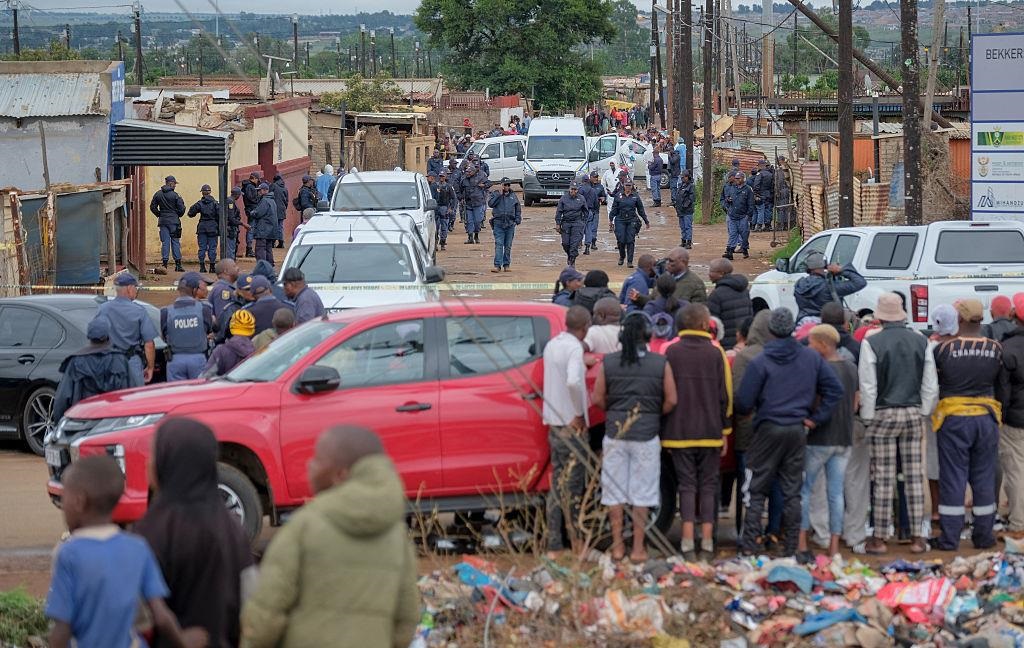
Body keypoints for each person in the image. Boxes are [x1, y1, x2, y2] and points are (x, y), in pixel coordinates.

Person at [241, 426, 419, 647]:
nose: (309, 465)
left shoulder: (304, 527)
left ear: (339, 475)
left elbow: (266, 615)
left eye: (317, 460)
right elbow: (407, 620)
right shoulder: (397, 537)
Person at [46, 455, 207, 648]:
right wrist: (184, 641)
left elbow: (62, 629)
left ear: (79, 501)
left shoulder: (68, 554)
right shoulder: (138, 547)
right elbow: (161, 616)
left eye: (64, 498)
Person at [135, 418, 254, 648]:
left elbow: (135, 616)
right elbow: (251, 604)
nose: (148, 462)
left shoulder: (152, 531)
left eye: (154, 453)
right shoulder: (231, 529)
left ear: (169, 462)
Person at [735, 308, 844, 557]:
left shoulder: (760, 361)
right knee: (791, 490)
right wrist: (815, 419)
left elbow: (743, 402)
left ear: (770, 330)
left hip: (767, 429)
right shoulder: (810, 358)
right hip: (796, 430)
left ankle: (750, 547)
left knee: (756, 490)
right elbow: (835, 390)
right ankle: (791, 548)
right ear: (792, 329)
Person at [593, 311, 677, 561]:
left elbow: (597, 398)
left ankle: (618, 546)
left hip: (616, 435)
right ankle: (639, 548)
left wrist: (615, 411)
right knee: (644, 492)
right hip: (646, 435)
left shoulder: (609, 362)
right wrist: (652, 413)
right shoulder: (660, 363)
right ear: (648, 335)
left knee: (614, 492)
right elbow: (672, 399)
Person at [858, 292, 937, 554]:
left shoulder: (872, 342)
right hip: (913, 412)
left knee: (882, 476)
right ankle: (916, 537)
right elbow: (930, 383)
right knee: (914, 477)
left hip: (883, 412)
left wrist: (869, 417)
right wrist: (923, 411)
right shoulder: (920, 340)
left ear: (879, 316)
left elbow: (868, 386)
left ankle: (880, 537)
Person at [932, 298, 1003, 551]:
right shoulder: (995, 348)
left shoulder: (943, 350)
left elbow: (934, 385)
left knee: (953, 477)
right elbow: (1001, 387)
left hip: (954, 419)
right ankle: (984, 536)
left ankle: (949, 539)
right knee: (984, 477)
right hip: (986, 418)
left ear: (958, 319)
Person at [663, 304, 731, 561]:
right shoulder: (717, 354)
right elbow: (725, 396)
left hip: (678, 432)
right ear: (705, 325)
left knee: (686, 486)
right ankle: (708, 543)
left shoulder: (670, 351)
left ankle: (687, 543)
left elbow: (665, 393)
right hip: (711, 430)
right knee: (709, 485)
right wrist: (725, 429)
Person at [797, 324, 858, 562]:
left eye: (811, 343)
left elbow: (812, 401)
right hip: (844, 437)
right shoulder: (851, 367)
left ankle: (802, 542)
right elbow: (854, 403)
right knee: (836, 493)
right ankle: (834, 546)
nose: (809, 347)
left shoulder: (816, 368)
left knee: (805, 490)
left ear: (822, 345)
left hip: (819, 437)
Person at [543, 306, 591, 556]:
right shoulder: (574, 348)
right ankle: (576, 543)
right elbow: (573, 381)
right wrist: (579, 413)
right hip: (571, 426)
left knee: (557, 484)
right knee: (573, 488)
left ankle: (554, 543)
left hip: (553, 422)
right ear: (585, 327)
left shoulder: (554, 344)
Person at [52, 316, 131, 421]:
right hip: (115, 423)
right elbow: (133, 392)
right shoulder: (120, 360)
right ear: (108, 335)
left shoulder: (76, 362)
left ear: (89, 336)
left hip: (84, 422)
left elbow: (62, 399)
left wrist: (61, 424)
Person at [98, 273, 158, 387]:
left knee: (112, 400)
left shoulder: (103, 309)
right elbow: (149, 343)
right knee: (134, 401)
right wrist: (150, 368)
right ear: (129, 288)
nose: (136, 291)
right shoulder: (139, 311)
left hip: (110, 363)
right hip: (131, 362)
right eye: (136, 287)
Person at [997, 293, 1024, 537]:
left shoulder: (1007, 349)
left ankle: (1018, 522)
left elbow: (1003, 390)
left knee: (1015, 470)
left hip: (1015, 419)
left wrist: (1001, 416)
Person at [161, 272, 215, 381]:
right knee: (198, 394)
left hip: (175, 360)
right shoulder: (205, 309)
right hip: (198, 358)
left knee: (177, 395)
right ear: (195, 290)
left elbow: (164, 336)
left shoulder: (166, 312)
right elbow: (211, 329)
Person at [794, 252, 867, 324]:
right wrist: (841, 270)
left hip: (803, 326)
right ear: (825, 265)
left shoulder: (799, 285)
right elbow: (860, 282)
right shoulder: (829, 287)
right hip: (828, 327)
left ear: (807, 267)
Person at [633, 247, 707, 307]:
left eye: (671, 261)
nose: (667, 264)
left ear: (683, 262)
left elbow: (698, 312)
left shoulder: (695, 284)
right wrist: (639, 298)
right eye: (667, 260)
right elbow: (654, 299)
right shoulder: (664, 279)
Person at [707, 258, 752, 350]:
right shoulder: (744, 291)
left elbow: (712, 324)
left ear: (721, 274)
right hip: (742, 344)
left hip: (724, 345)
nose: (709, 274)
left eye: (711, 271)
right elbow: (750, 315)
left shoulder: (716, 295)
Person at [608, 181, 650, 268]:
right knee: (621, 240)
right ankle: (622, 256)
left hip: (631, 220)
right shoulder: (618, 195)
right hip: (620, 220)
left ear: (632, 186)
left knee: (630, 240)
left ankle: (630, 261)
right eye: (626, 185)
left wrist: (646, 221)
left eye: (629, 185)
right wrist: (611, 220)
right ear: (623, 185)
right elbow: (614, 209)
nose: (627, 187)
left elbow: (640, 209)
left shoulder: (635, 196)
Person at [150, 175, 186, 271]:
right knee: (175, 242)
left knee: (165, 242)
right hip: (174, 222)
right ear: (170, 183)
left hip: (163, 221)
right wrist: (177, 215)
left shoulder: (158, 194)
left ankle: (164, 264)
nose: (175, 186)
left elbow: (152, 207)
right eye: (174, 184)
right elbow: (182, 209)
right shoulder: (176, 195)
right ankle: (178, 265)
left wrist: (159, 214)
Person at [204, 309, 255, 377]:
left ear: (230, 327)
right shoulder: (260, 350)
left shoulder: (221, 351)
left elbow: (205, 377)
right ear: (252, 329)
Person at [488, 178, 522, 272]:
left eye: (508, 185)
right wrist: (499, 194)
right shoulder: (496, 194)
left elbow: (517, 208)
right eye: (505, 185)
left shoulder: (513, 196)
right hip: (498, 223)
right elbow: (491, 204)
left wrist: (517, 219)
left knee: (508, 245)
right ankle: (497, 265)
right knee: (499, 244)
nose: (506, 187)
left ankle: (506, 264)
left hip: (510, 224)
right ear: (501, 185)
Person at [185, 184, 221, 273]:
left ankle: (202, 267)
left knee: (202, 248)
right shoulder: (215, 203)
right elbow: (220, 215)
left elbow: (190, 213)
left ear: (202, 193)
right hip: (213, 227)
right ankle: (212, 267)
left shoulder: (199, 203)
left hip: (202, 228)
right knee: (212, 248)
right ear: (210, 192)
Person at [555, 181, 590, 266]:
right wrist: (558, 223)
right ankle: (570, 255)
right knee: (565, 243)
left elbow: (586, 212)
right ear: (569, 189)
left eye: (575, 189)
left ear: (578, 190)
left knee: (574, 244)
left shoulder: (581, 198)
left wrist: (583, 222)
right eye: (572, 189)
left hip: (577, 223)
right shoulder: (563, 198)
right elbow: (559, 212)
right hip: (566, 223)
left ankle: (572, 260)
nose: (573, 191)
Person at [722, 172, 754, 260]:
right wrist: (728, 202)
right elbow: (726, 199)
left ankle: (744, 249)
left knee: (744, 234)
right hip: (732, 215)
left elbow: (751, 204)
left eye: (739, 178)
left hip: (743, 216)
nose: (737, 180)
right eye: (736, 178)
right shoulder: (732, 188)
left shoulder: (748, 189)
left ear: (743, 179)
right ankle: (730, 251)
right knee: (733, 233)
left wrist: (748, 215)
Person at [460, 165, 491, 244]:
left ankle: (476, 235)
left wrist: (484, 185)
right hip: (468, 203)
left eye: (470, 172)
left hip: (478, 203)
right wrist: (461, 198)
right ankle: (470, 237)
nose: (468, 173)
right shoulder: (464, 180)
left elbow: (489, 183)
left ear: (474, 172)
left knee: (477, 221)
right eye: (467, 172)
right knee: (469, 221)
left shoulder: (480, 177)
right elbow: (460, 190)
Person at [250, 182, 278, 266]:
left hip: (263, 230)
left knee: (260, 248)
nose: (258, 192)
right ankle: (269, 265)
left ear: (265, 190)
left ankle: (262, 266)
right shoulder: (272, 200)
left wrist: (252, 213)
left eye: (260, 190)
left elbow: (258, 213)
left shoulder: (265, 201)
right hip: (270, 230)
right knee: (268, 248)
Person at [579, 171, 607, 255]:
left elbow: (578, 201)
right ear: (589, 179)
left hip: (583, 212)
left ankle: (583, 243)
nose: (595, 178)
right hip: (591, 211)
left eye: (596, 177)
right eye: (594, 177)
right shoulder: (592, 190)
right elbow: (596, 202)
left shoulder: (581, 189)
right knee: (589, 229)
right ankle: (587, 246)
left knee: (581, 228)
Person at [672, 169, 695, 249]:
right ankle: (683, 241)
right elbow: (678, 196)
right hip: (680, 210)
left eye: (684, 177)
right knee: (682, 226)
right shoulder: (681, 185)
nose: (683, 178)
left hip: (687, 210)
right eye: (682, 177)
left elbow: (691, 198)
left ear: (688, 177)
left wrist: (685, 205)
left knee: (688, 226)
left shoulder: (691, 186)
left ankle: (688, 242)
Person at [435, 172, 458, 251]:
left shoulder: (449, 186)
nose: (441, 178)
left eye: (442, 176)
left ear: (445, 177)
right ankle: (435, 243)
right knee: (435, 227)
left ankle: (442, 243)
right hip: (435, 207)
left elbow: (454, 198)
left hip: (444, 208)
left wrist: (451, 208)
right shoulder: (435, 185)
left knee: (444, 227)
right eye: (440, 176)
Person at [241, 172, 261, 258]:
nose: (258, 181)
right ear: (254, 178)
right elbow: (251, 198)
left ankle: (250, 249)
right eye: (257, 179)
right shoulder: (250, 186)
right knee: (251, 229)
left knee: (251, 229)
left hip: (250, 208)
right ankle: (249, 249)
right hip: (252, 209)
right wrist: (258, 196)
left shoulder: (248, 186)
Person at [752, 159, 775, 232]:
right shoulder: (770, 174)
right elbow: (773, 185)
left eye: (758, 166)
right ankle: (768, 225)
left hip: (761, 194)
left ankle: (759, 226)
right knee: (768, 210)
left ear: (761, 166)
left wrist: (756, 193)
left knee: (760, 210)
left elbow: (756, 185)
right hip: (769, 194)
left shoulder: (760, 174)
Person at [225, 186, 244, 261]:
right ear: (236, 195)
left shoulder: (230, 201)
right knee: (230, 248)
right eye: (239, 195)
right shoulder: (230, 202)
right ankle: (230, 263)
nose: (239, 197)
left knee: (232, 247)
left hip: (231, 228)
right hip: (230, 228)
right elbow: (231, 218)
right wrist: (243, 224)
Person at [270, 174, 289, 249]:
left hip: (273, 208)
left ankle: (273, 242)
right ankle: (281, 242)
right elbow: (287, 200)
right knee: (280, 226)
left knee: (273, 226)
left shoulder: (273, 186)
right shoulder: (285, 188)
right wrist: (284, 208)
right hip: (282, 208)